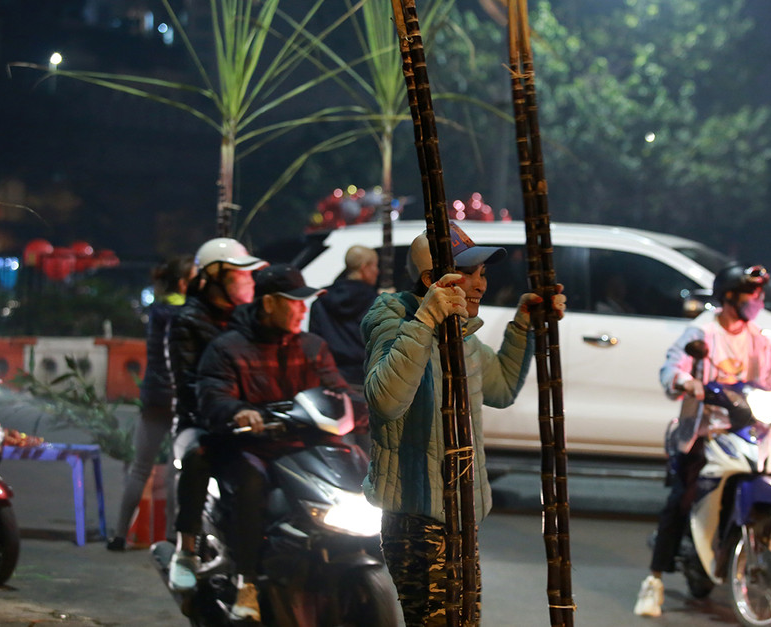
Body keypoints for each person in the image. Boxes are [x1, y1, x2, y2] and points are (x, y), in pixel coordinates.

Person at [361, 222, 566, 627]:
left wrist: (524, 323)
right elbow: (385, 400)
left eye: (482, 274)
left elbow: (501, 387)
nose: (480, 284)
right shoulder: (396, 323)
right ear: (430, 280)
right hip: (418, 519)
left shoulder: (461, 335)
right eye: (468, 273)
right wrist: (425, 321)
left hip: (461, 516)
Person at [633, 263, 771, 617]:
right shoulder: (701, 332)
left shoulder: (758, 339)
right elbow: (671, 368)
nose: (758, 301)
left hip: (749, 429)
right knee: (681, 500)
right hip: (707, 430)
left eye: (760, 295)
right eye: (752, 295)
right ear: (729, 297)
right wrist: (687, 382)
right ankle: (653, 582)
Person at [197, 264, 350, 622]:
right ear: (268, 304)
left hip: (302, 447)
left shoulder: (312, 346)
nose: (301, 309)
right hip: (253, 448)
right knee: (250, 487)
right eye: (294, 301)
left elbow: (336, 390)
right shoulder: (228, 348)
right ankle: (246, 582)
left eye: (304, 302)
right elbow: (214, 395)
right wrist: (239, 412)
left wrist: (361, 405)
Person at [166, 238, 266, 593]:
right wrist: (227, 412)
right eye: (242, 274)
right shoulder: (187, 321)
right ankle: (186, 549)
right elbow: (190, 386)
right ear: (217, 277)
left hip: (250, 422)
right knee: (198, 457)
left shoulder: (250, 317)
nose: (250, 281)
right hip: (200, 424)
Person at [107, 254, 195, 551]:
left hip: (155, 396)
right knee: (174, 469)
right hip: (180, 397)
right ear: (184, 283)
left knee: (140, 468)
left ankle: (120, 534)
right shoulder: (189, 312)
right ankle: (171, 536)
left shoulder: (157, 310)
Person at [308, 245, 379, 451]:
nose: (377, 271)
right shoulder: (376, 302)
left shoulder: (321, 301)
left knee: (339, 448)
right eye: (375, 266)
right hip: (366, 381)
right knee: (371, 450)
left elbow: (315, 344)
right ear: (364, 267)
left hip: (334, 383)